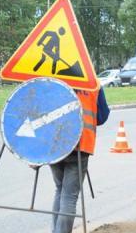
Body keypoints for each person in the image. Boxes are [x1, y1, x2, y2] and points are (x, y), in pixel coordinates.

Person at [49, 86, 109, 233]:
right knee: (69, 196)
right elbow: (101, 117)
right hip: (80, 146)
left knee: (60, 189)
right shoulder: (93, 83)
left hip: (55, 146)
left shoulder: (54, 81)